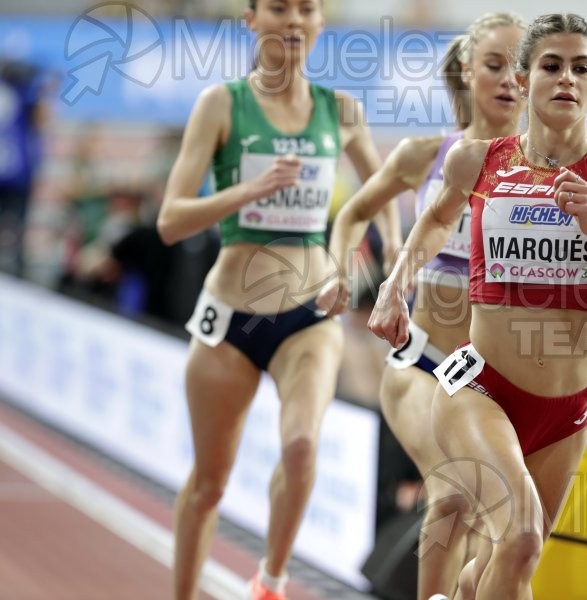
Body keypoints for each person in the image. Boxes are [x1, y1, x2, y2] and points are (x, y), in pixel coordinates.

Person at [368, 13, 587, 598]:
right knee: (520, 537)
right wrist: (393, 287)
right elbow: (433, 224)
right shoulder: (479, 160)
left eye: (580, 68)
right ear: (525, 76)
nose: (567, 79)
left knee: (499, 568)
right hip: (479, 390)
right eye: (552, 66)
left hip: (566, 413)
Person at [156, 1, 400, 599]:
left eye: (307, 9)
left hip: (308, 314)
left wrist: (389, 252)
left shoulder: (339, 110)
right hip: (229, 315)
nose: (293, 20)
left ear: (319, 24)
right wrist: (248, 190)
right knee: (211, 481)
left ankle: (270, 579)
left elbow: (383, 190)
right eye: (278, 7)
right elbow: (170, 221)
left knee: (300, 446)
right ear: (252, 21)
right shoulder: (221, 104)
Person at [318, 13, 526, 598]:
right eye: (495, 66)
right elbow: (355, 211)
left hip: (497, 379)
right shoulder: (427, 153)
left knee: (507, 526)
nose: (511, 80)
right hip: (423, 364)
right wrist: (342, 269)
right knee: (457, 490)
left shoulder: (546, 173)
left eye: (522, 67)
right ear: (466, 70)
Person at [0, 58, 48, 277]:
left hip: (16, 174)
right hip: (16, 173)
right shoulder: (20, 89)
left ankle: (16, 274)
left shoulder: (21, 88)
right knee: (15, 233)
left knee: (16, 233)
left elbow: (41, 118)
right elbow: (41, 120)